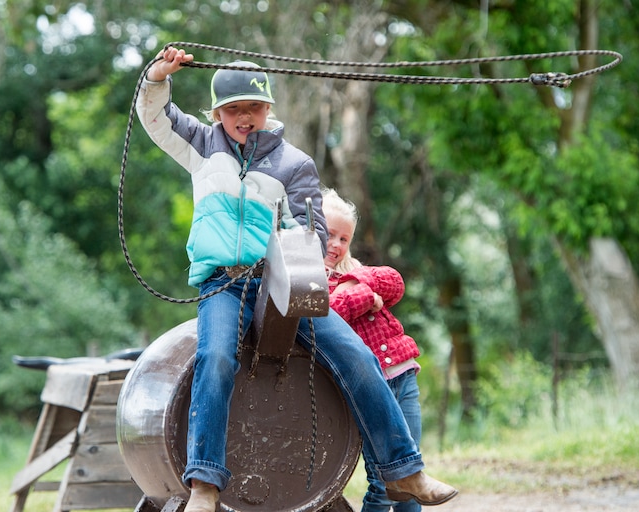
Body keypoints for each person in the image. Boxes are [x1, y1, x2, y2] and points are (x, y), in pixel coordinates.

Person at [136, 46, 458, 512]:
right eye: (233, 110)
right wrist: (157, 77)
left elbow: (314, 233)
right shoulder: (202, 146)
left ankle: (404, 472)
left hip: (280, 285)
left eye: (253, 107)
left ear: (268, 109)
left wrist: (292, 238)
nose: (244, 117)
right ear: (217, 113)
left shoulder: (295, 164)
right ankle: (205, 483)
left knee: (355, 355)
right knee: (216, 357)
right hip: (222, 285)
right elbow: (156, 117)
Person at [322, 188, 427, 512]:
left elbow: (394, 281)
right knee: (382, 483)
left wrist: (354, 280)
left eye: (344, 239)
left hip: (402, 374)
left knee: (410, 479)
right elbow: (331, 310)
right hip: (368, 390)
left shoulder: (353, 272)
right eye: (330, 235)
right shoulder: (309, 282)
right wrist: (365, 296)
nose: (337, 245)